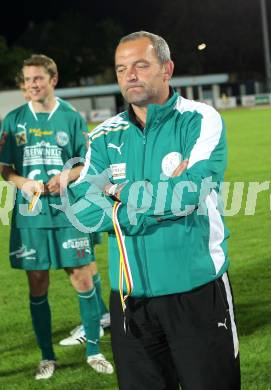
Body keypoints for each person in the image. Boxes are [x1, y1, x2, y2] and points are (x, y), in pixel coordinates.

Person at [71, 31, 240, 389]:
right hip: (131, 301)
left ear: (167, 69)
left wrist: (117, 192)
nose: (129, 75)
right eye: (121, 69)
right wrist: (150, 203)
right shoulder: (103, 136)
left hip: (196, 294)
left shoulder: (199, 120)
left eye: (140, 65)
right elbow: (82, 209)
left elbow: (189, 195)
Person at [0, 54, 113, 379]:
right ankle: (46, 357)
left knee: (82, 277)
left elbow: (87, 163)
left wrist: (65, 176)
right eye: (27, 79)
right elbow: (5, 169)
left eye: (37, 78)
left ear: (53, 79)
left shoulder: (71, 117)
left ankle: (94, 351)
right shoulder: (14, 119)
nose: (32, 84)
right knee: (37, 283)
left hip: (68, 211)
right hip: (31, 214)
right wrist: (25, 183)